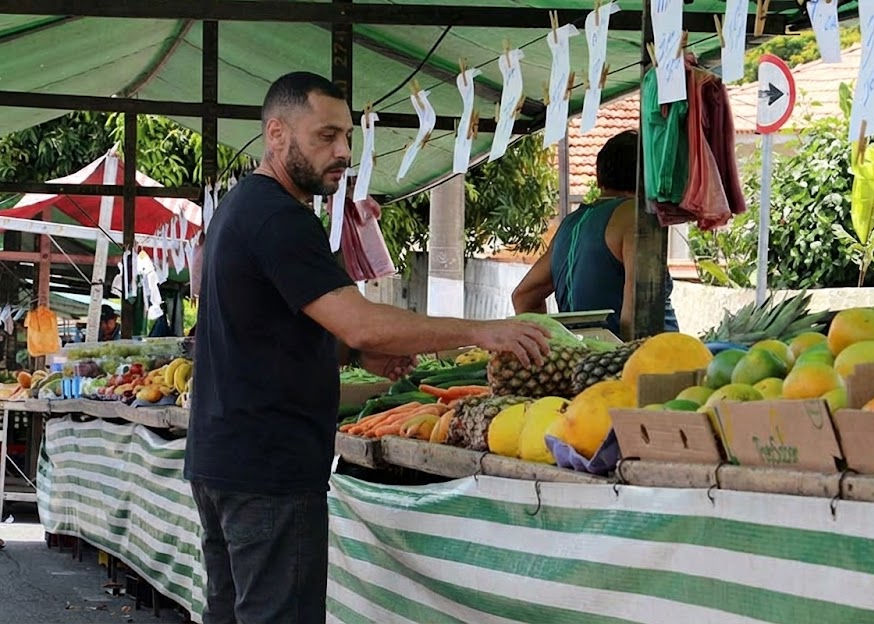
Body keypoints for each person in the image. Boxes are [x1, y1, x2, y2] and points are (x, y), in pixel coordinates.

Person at [184, 71, 550, 624]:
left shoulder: (243, 207)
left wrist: (352, 358)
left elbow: (271, 331)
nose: (344, 152)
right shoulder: (279, 217)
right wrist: (482, 331)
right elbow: (360, 323)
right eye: (326, 137)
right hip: (268, 468)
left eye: (347, 137)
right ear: (276, 134)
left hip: (228, 458)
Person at [512, 130, 679, 338]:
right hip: (638, 362)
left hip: (585, 361)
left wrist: (553, 350)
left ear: (600, 179)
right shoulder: (637, 218)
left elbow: (524, 296)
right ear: (649, 178)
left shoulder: (569, 225)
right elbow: (638, 316)